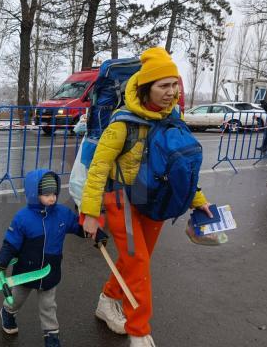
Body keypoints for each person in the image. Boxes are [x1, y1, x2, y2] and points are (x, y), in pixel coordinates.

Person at [80, 47, 212, 347]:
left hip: (154, 200)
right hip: (122, 198)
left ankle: (107, 300)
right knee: (137, 261)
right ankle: (138, 330)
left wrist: (197, 199)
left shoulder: (173, 118)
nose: (172, 92)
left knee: (135, 262)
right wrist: (89, 213)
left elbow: (180, 165)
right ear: (145, 88)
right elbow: (98, 168)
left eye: (174, 84)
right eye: (163, 86)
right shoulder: (122, 123)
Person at [0, 169, 102, 347]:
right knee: (16, 299)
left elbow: (79, 227)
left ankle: (52, 335)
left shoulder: (62, 214)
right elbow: (11, 243)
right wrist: (1, 263)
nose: (52, 198)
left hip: (49, 273)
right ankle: (7, 312)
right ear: (35, 194)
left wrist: (96, 234)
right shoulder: (23, 218)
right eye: (46, 194)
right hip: (26, 273)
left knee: (48, 307)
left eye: (54, 193)